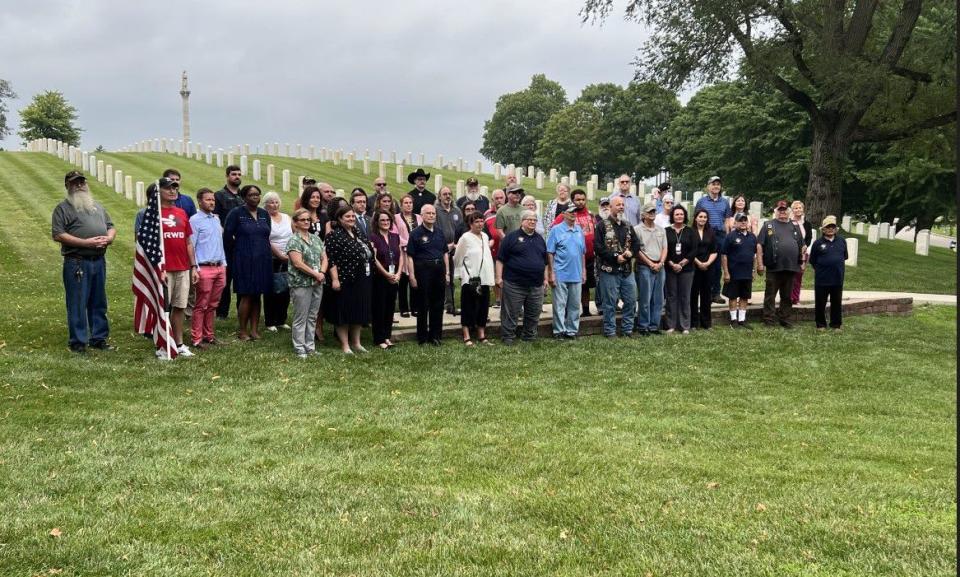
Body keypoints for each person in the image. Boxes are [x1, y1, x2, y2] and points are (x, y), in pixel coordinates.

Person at [52, 171, 116, 353]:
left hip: (98, 260)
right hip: (77, 262)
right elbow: (58, 234)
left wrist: (109, 238)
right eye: (74, 183)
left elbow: (110, 226)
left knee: (99, 301)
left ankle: (99, 338)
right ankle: (78, 342)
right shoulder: (62, 209)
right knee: (78, 302)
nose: (79, 186)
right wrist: (85, 243)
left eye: (81, 182)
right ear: (67, 186)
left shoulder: (97, 206)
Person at [155, 177, 200, 356]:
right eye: (168, 188)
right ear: (160, 192)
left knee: (180, 306)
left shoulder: (181, 213)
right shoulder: (154, 214)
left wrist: (193, 266)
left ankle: (179, 343)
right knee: (163, 307)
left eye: (175, 188)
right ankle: (162, 344)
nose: (173, 191)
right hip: (164, 268)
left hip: (182, 267)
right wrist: (159, 268)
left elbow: (188, 241)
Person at [224, 185, 272, 340]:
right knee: (246, 295)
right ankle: (243, 330)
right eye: (251, 195)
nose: (255, 197)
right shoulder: (236, 214)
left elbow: (267, 234)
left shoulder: (265, 214)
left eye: (257, 195)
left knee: (258, 295)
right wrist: (237, 253)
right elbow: (227, 237)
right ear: (244, 197)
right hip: (244, 259)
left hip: (263, 259)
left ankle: (254, 329)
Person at [325, 205, 374, 354]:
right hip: (345, 278)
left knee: (358, 311)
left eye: (353, 216)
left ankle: (356, 343)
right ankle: (345, 345)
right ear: (339, 219)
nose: (352, 219)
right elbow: (330, 259)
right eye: (348, 217)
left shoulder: (357, 232)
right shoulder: (334, 236)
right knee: (344, 313)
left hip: (362, 278)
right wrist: (334, 279)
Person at [496, 210, 549, 344]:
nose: (532, 222)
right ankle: (508, 336)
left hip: (536, 284)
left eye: (534, 220)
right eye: (529, 219)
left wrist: (546, 279)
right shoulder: (511, 237)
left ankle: (529, 336)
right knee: (511, 312)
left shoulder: (540, 239)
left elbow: (545, 262)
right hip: (514, 283)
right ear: (522, 221)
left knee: (534, 312)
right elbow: (500, 259)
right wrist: (498, 278)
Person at [594, 196, 639, 337]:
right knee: (610, 303)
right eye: (618, 204)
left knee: (631, 301)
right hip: (609, 271)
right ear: (611, 207)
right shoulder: (602, 225)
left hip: (626, 271)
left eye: (622, 204)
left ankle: (627, 330)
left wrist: (630, 253)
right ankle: (610, 331)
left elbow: (636, 244)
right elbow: (598, 247)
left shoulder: (628, 225)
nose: (621, 207)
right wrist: (615, 257)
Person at [286, 208, 328, 358]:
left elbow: (324, 257)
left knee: (313, 316)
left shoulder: (316, 239)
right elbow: (298, 263)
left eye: (308, 220)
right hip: (301, 283)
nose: (306, 222)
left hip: (317, 282)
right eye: (302, 220)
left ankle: (310, 346)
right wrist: (316, 274)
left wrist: (322, 273)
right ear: (296, 223)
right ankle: (299, 347)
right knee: (301, 316)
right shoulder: (294, 240)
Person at [757, 200, 806, 328]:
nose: (782, 212)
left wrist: (803, 262)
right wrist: (760, 264)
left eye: (784, 210)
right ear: (776, 212)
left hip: (791, 267)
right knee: (770, 295)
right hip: (774, 267)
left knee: (787, 296)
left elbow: (802, 246)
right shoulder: (768, 225)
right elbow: (759, 245)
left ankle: (785, 319)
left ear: (789, 212)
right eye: (780, 210)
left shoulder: (794, 226)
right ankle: (769, 319)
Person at [189, 188, 227, 348]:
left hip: (219, 266)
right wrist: (194, 268)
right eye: (208, 200)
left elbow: (219, 243)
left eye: (213, 200)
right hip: (203, 268)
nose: (211, 202)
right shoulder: (194, 220)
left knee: (213, 305)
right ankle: (197, 338)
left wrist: (224, 264)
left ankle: (209, 335)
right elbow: (191, 245)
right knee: (201, 304)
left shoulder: (215, 219)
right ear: (199, 201)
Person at [406, 204, 448, 345]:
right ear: (422, 215)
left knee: (438, 304)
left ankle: (435, 335)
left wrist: (447, 272)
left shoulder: (440, 232)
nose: (431, 215)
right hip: (423, 270)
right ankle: (422, 337)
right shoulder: (415, 233)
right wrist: (412, 276)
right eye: (428, 213)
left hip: (439, 270)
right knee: (423, 304)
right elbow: (410, 256)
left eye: (433, 213)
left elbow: (445, 253)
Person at [453, 212, 495, 345]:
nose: (480, 224)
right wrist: (462, 274)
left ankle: (481, 334)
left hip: (485, 278)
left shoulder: (485, 236)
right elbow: (457, 258)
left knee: (483, 307)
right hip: (471, 278)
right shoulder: (465, 238)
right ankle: (466, 335)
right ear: (470, 224)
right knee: (468, 306)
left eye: (481, 221)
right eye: (476, 221)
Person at [553, 189, 596, 316]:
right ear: (572, 200)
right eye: (577, 199)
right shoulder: (565, 215)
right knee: (569, 286)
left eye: (583, 199)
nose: (580, 202)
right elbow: (554, 231)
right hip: (570, 258)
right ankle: (566, 311)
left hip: (588, 256)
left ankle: (586, 310)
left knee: (586, 285)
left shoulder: (590, 215)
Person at [547, 205, 586, 339]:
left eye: (575, 211)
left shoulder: (579, 230)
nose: (573, 214)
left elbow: (582, 253)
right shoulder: (556, 230)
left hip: (576, 273)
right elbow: (550, 253)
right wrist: (551, 272)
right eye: (570, 212)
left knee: (574, 304)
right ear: (563, 214)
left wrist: (584, 271)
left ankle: (572, 331)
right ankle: (559, 331)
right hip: (560, 273)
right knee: (560, 305)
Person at [694, 176, 732, 303]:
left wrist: (727, 236)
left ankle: (716, 293)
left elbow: (727, 220)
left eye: (718, 184)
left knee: (717, 266)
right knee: (706, 263)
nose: (716, 186)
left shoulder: (725, 202)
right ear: (708, 186)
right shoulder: (701, 202)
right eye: (713, 184)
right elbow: (697, 218)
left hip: (720, 235)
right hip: (706, 234)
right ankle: (706, 292)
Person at [369, 209, 404, 349]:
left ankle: (387, 337)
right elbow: (374, 258)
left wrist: (399, 273)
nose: (385, 222)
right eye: (382, 220)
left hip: (394, 276)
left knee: (390, 308)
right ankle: (379, 338)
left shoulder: (395, 236)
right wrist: (385, 274)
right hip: (380, 277)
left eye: (387, 220)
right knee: (379, 308)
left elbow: (400, 256)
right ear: (377, 222)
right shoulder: (373, 237)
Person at [214, 165, 244, 318]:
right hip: (226, 244)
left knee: (241, 277)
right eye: (234, 174)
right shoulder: (219, 196)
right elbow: (216, 218)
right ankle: (222, 312)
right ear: (227, 176)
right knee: (225, 278)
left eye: (239, 174)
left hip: (243, 244)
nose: (237, 177)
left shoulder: (244, 196)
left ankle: (242, 310)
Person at [809, 215, 848, 330]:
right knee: (820, 303)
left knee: (836, 302)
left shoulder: (842, 241)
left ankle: (836, 324)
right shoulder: (817, 243)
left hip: (837, 278)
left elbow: (844, 256)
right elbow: (813, 261)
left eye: (833, 226)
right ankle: (820, 324)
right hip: (822, 279)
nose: (830, 229)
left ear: (836, 228)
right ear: (823, 229)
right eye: (828, 227)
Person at [633, 202, 667, 335]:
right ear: (643, 215)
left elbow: (665, 248)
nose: (652, 214)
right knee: (645, 298)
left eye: (653, 211)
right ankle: (643, 326)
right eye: (649, 212)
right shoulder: (637, 229)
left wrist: (661, 262)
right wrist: (650, 263)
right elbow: (637, 250)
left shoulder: (661, 229)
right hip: (644, 267)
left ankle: (654, 325)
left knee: (658, 298)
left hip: (660, 266)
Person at [664, 205, 698, 334]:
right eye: (677, 214)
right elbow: (664, 249)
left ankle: (685, 325)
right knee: (671, 296)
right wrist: (672, 264)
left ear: (685, 216)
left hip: (687, 269)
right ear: (672, 216)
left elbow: (694, 250)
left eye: (681, 214)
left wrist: (682, 264)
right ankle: (671, 325)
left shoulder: (691, 231)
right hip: (670, 268)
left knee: (685, 296)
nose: (679, 216)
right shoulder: (666, 231)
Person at [721, 212, 758, 329]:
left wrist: (753, 271)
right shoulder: (730, 236)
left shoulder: (752, 237)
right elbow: (724, 255)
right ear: (735, 222)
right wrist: (726, 272)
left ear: (747, 222)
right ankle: (733, 320)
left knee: (744, 296)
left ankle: (742, 320)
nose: (743, 222)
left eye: (745, 220)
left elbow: (754, 255)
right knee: (733, 296)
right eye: (740, 220)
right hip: (734, 272)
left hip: (747, 272)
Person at [263, 191, 292, 332]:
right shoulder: (264, 218)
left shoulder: (287, 217)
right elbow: (266, 239)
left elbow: (293, 234)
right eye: (271, 202)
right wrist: (279, 254)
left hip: (289, 257)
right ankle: (270, 320)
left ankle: (281, 319)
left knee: (285, 290)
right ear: (266, 204)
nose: (274, 205)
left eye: (276, 202)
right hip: (271, 258)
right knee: (272, 290)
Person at [435, 186, 463, 315]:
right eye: (444, 194)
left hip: (456, 249)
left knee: (452, 278)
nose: (447, 196)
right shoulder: (435, 211)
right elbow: (434, 230)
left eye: (449, 193)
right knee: (443, 278)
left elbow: (461, 228)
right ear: (439, 196)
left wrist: (457, 244)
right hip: (441, 249)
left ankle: (451, 304)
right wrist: (446, 245)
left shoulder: (457, 211)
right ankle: (444, 304)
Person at [690, 208, 718, 330]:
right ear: (695, 218)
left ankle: (706, 323)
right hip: (694, 266)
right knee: (693, 295)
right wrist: (698, 262)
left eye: (705, 217)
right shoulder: (690, 232)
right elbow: (689, 251)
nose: (702, 219)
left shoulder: (711, 232)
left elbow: (714, 250)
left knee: (706, 295)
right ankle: (694, 323)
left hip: (708, 267)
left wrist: (707, 263)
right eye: (700, 217)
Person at [395, 194, 422, 318]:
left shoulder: (419, 218)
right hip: (403, 252)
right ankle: (404, 308)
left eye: (410, 203)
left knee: (415, 280)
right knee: (404, 281)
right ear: (401, 205)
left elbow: (422, 232)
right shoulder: (396, 218)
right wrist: (407, 243)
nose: (408, 205)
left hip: (417, 253)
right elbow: (395, 234)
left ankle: (415, 306)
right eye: (405, 203)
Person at [790, 200, 814, 305]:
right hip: (790, 253)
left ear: (803, 209)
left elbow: (808, 238)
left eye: (800, 208)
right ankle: (788, 298)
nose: (798, 210)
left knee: (798, 276)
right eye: (796, 208)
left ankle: (796, 298)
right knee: (790, 276)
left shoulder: (807, 224)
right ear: (792, 210)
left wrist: (804, 247)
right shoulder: (789, 223)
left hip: (803, 253)